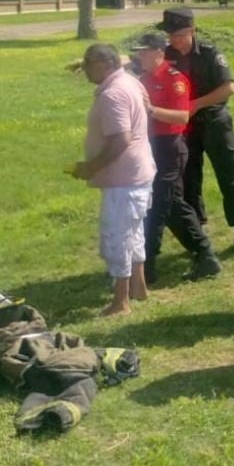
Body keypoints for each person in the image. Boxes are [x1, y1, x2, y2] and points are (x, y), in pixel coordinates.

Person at [158, 7, 234, 261]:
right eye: (170, 35)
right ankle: (198, 236)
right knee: (189, 178)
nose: (174, 40)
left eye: (179, 34)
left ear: (192, 30)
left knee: (231, 175)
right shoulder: (165, 54)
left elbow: (228, 88)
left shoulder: (210, 53)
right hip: (185, 127)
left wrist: (196, 104)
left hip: (214, 121)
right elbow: (138, 60)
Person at [69, 44, 157, 316]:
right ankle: (138, 288)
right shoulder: (130, 81)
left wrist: (91, 167)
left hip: (124, 179)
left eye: (89, 64)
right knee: (134, 232)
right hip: (138, 172)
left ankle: (121, 302)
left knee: (117, 238)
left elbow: (120, 140)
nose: (84, 69)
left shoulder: (112, 94)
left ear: (106, 65)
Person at [133, 32, 222, 285]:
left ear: (159, 53)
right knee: (170, 205)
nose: (141, 56)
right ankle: (204, 255)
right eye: (139, 52)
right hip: (151, 146)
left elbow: (182, 117)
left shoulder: (175, 80)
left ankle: (148, 264)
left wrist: (151, 110)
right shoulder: (143, 80)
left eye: (145, 51)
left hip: (170, 147)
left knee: (160, 205)